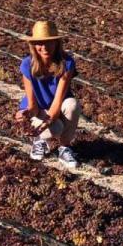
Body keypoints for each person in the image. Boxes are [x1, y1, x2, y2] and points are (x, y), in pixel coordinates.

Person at [14, 20, 81, 167]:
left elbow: (58, 100)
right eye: (39, 43)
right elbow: (32, 105)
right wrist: (25, 113)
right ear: (33, 45)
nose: (44, 47)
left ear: (57, 43)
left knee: (72, 105)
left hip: (57, 106)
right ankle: (39, 141)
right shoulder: (27, 64)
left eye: (49, 42)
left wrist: (48, 121)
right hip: (39, 109)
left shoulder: (67, 63)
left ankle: (64, 148)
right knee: (55, 129)